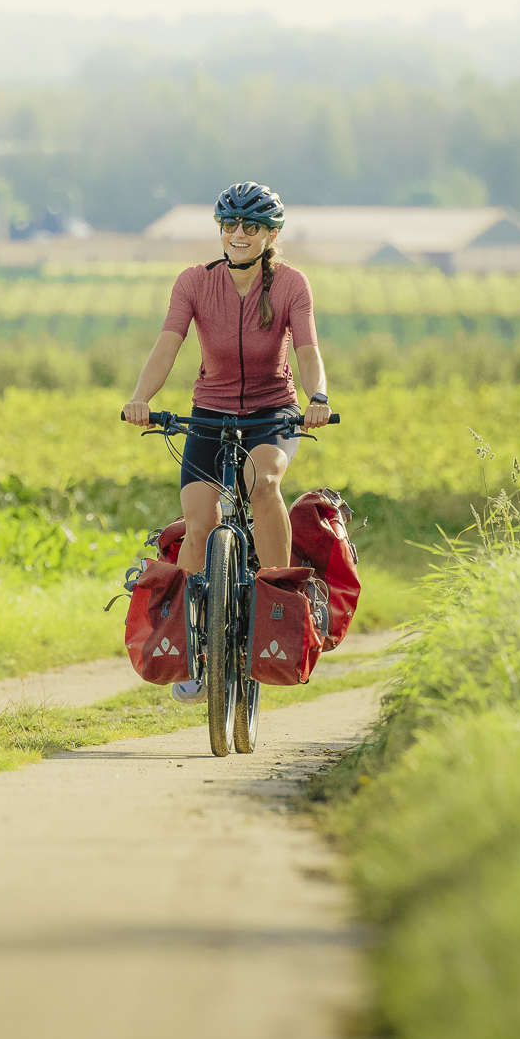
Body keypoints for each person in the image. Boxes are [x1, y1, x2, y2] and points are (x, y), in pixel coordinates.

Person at [120, 181, 332, 701]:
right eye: (230, 225)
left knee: (263, 487)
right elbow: (166, 345)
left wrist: (318, 397)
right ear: (220, 229)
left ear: (270, 234)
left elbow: (306, 350)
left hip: (272, 414)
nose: (239, 234)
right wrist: (140, 397)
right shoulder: (194, 282)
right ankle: (192, 646)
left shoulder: (290, 285)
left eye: (251, 227)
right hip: (209, 415)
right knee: (198, 524)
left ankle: (278, 611)